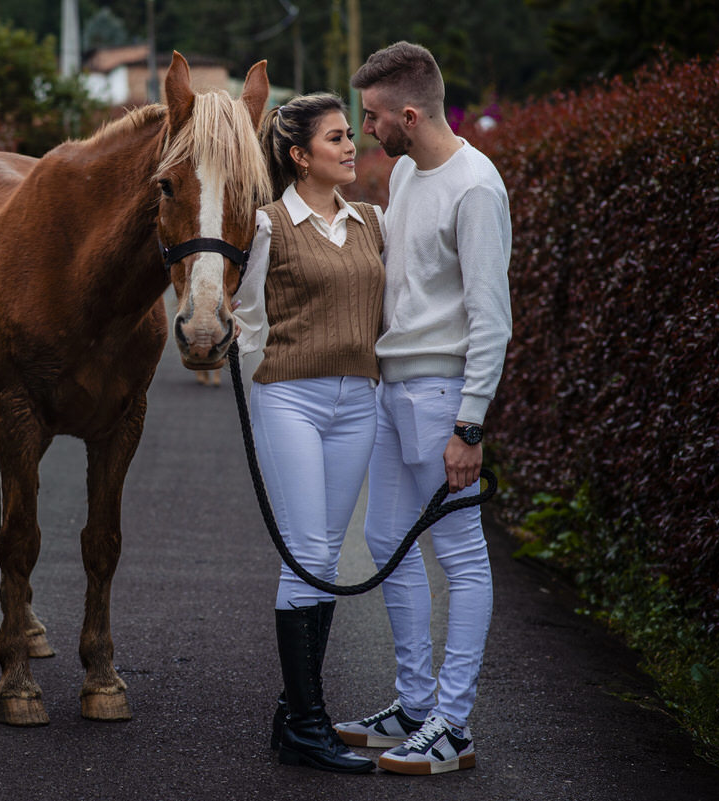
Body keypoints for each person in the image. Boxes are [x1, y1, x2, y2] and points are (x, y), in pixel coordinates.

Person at [333, 41, 512, 775]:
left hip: (444, 395)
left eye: (373, 117)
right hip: (393, 384)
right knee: (386, 539)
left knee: (462, 558)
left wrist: (471, 424)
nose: (367, 130)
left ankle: (455, 725)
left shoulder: (476, 186)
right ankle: (414, 704)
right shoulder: (406, 172)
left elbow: (490, 315)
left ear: (409, 113)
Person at [232, 92, 386, 774]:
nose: (352, 145)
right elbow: (242, 313)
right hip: (290, 396)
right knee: (309, 551)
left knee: (327, 551)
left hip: (361, 400)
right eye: (336, 137)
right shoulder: (267, 226)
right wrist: (261, 375)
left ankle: (296, 710)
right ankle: (307, 721)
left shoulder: (372, 223)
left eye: (351, 134)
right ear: (300, 155)